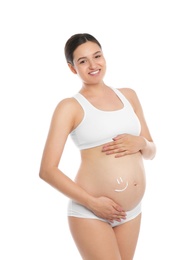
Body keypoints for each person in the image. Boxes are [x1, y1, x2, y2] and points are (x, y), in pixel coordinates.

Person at [39, 33, 156, 260]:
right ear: (73, 68)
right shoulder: (70, 107)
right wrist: (93, 203)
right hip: (91, 211)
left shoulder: (129, 96)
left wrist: (141, 142)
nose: (93, 65)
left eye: (97, 56)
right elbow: (47, 170)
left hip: (132, 211)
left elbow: (151, 151)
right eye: (83, 61)